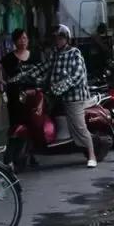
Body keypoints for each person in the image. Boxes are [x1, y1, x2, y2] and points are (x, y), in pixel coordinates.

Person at [11, 24, 98, 167]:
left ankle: (92, 155)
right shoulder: (55, 54)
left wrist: (59, 87)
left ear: (66, 39)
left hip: (73, 96)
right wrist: (21, 77)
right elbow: (43, 68)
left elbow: (76, 76)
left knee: (79, 126)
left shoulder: (75, 53)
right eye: (56, 38)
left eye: (60, 38)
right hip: (55, 95)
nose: (57, 41)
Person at [0, 28, 36, 127]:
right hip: (15, 96)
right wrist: (4, 83)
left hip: (32, 96)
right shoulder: (9, 58)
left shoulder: (35, 56)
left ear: (28, 40)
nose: (23, 41)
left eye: (24, 38)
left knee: (33, 123)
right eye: (19, 39)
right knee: (17, 124)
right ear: (15, 41)